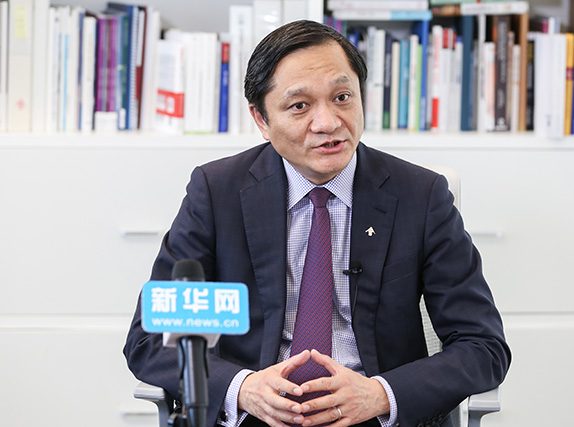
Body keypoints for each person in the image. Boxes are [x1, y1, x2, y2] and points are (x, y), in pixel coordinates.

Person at [124, 20, 510, 427]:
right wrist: (243, 387)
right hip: (257, 414)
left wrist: (380, 394)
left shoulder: (421, 195)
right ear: (261, 119)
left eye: (342, 97)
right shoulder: (218, 192)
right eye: (299, 106)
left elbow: (483, 347)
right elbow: (150, 340)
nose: (328, 123)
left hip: (373, 414)